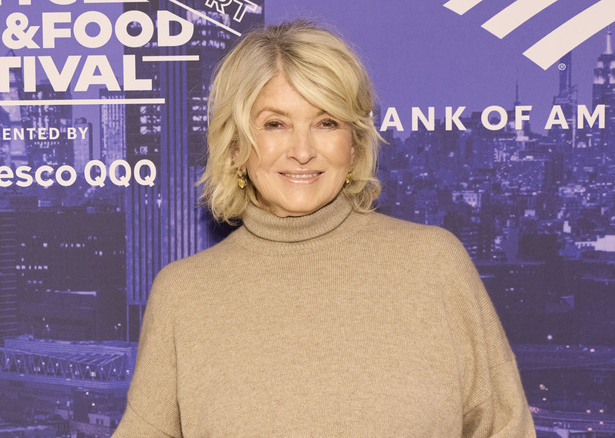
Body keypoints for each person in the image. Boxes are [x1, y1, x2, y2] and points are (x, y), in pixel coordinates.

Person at [113, 20, 535, 437]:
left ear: (354, 145)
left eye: (326, 122)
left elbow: (506, 428)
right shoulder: (184, 294)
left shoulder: (434, 264)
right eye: (275, 124)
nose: (302, 151)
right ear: (236, 147)